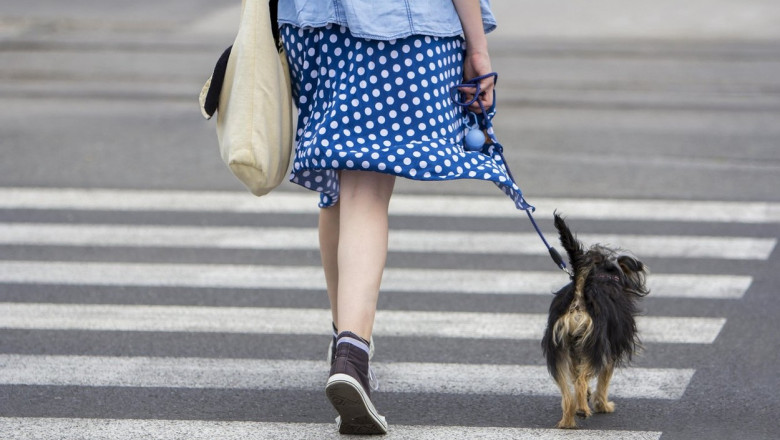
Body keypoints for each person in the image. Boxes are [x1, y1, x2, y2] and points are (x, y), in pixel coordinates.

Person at [277, 0, 524, 434]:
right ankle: (352, 358)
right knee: (366, 188)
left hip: (311, 26)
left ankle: (345, 342)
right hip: (401, 25)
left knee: (340, 184)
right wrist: (478, 49)